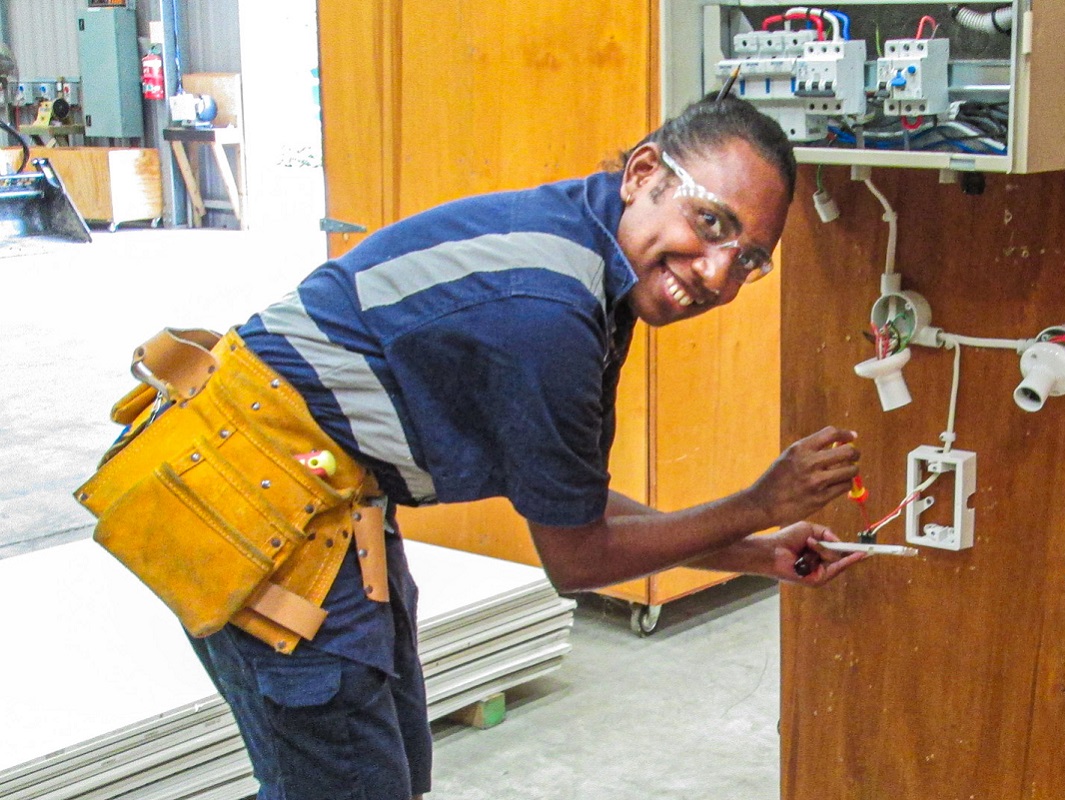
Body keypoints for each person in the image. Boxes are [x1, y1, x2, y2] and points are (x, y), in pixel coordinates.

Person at [81, 93, 863, 800]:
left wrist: (757, 551)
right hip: (255, 505)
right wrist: (758, 504)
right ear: (645, 172)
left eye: (750, 260)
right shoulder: (550, 310)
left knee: (384, 773)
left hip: (325, 496)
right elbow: (579, 560)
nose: (721, 276)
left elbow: (566, 505)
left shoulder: (589, 253)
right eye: (713, 223)